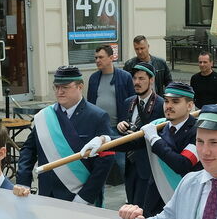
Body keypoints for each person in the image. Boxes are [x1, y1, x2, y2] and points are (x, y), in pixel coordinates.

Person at [16, 66, 116, 205]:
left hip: (81, 195)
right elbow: (28, 150)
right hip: (48, 193)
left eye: (65, 87)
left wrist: (85, 197)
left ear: (80, 86)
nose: (59, 92)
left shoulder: (97, 116)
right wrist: (23, 182)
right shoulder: (44, 117)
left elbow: (105, 161)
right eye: (56, 87)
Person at [137, 81, 202, 216]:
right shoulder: (159, 126)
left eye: (175, 102)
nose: (169, 106)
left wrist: (155, 140)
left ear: (190, 106)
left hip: (183, 198)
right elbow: (132, 142)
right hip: (156, 197)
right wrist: (105, 139)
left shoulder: (198, 132)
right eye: (166, 101)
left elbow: (182, 164)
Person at [116, 61, 165, 209]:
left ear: (151, 80)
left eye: (141, 78)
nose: (137, 82)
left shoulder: (160, 105)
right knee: (131, 204)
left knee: (145, 209)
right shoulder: (128, 102)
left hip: (150, 167)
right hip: (130, 165)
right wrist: (121, 126)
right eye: (135, 78)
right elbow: (126, 126)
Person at [85, 44, 133, 122]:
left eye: (101, 57)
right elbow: (90, 103)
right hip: (98, 127)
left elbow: (133, 102)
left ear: (111, 58)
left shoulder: (125, 77)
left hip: (119, 127)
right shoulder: (93, 78)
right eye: (96, 58)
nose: (97, 60)